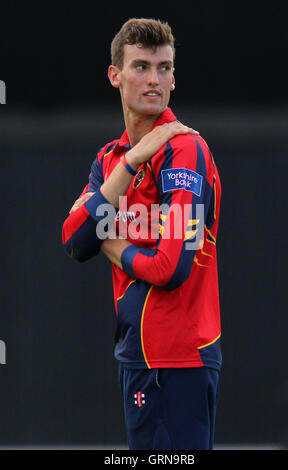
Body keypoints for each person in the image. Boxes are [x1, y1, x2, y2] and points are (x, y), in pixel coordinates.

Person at [62, 18, 222, 450]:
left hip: (180, 359)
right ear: (115, 75)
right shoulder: (110, 157)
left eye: (164, 68)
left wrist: (107, 239)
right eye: (141, 66)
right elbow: (74, 243)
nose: (155, 79)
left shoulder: (184, 149)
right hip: (136, 357)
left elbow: (170, 268)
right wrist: (132, 161)